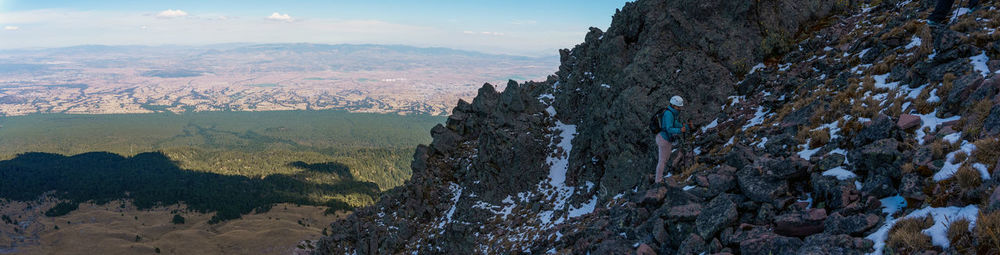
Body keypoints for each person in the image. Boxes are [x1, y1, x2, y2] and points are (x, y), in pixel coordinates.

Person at [655, 96, 688, 183]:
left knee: (664, 159)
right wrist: (680, 130)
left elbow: (675, 123)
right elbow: (669, 128)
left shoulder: (671, 113)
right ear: (673, 105)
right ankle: (658, 180)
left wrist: (684, 126)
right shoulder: (669, 114)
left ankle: (659, 179)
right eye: (678, 106)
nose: (680, 108)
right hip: (664, 139)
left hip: (664, 138)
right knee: (662, 160)